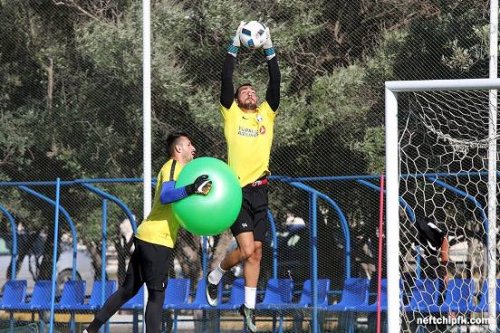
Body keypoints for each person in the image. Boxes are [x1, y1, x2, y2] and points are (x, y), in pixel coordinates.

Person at [83, 132, 212, 333]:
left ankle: (90, 330)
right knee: (156, 296)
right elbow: (166, 195)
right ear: (178, 149)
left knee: (128, 290)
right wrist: (192, 189)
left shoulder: (180, 172)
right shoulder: (173, 166)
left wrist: (196, 191)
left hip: (149, 239)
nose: (193, 148)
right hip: (156, 241)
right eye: (189, 144)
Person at [205, 21, 280, 333]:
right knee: (247, 250)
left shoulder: (267, 113)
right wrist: (234, 44)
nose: (249, 92)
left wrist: (269, 48)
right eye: (243, 91)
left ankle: (248, 309)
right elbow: (226, 78)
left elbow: (275, 80)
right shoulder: (231, 113)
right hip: (237, 192)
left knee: (257, 253)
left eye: (252, 90)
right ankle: (216, 274)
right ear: (235, 100)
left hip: (261, 191)